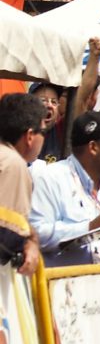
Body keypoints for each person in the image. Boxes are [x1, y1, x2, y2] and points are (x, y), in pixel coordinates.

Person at [30, 111, 100, 266]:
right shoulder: (50, 178)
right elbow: (36, 234)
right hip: (64, 286)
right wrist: (89, 228)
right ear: (93, 147)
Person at [0, 94, 47, 274]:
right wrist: (30, 241)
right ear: (29, 136)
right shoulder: (12, 163)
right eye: (43, 131)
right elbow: (7, 235)